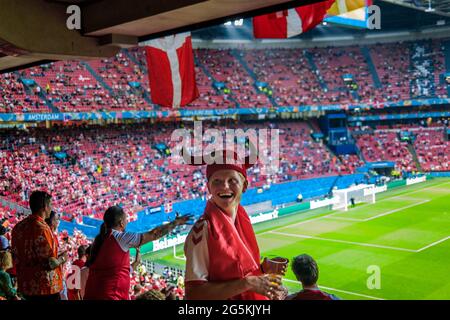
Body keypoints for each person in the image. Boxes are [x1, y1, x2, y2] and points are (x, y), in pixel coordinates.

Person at [182, 149, 288, 300]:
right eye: (217, 181)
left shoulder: (241, 219)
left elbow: (238, 273)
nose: (225, 186)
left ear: (245, 185)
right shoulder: (203, 229)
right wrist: (247, 283)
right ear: (208, 187)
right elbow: (194, 295)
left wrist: (263, 269)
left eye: (232, 180)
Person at [84, 205, 190, 300]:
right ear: (121, 222)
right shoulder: (120, 238)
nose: (127, 221)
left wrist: (135, 263)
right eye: (126, 219)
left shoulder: (99, 241)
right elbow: (154, 234)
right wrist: (176, 223)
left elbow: (114, 271)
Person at [11, 191, 68, 301]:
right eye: (50, 204)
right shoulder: (43, 229)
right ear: (44, 206)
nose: (51, 208)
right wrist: (63, 258)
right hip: (44, 288)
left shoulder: (18, 227)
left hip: (25, 286)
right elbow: (50, 263)